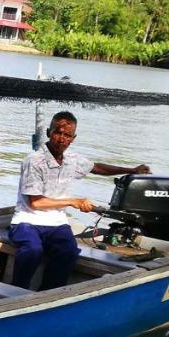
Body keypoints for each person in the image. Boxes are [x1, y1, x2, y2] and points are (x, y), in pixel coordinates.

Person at [10, 111, 150, 290]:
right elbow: (35, 202)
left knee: (68, 252)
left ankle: (47, 295)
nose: (61, 139)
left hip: (56, 223)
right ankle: (16, 291)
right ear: (48, 132)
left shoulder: (72, 160)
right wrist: (73, 202)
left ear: (73, 138)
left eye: (67, 135)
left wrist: (132, 170)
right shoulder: (34, 161)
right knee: (32, 250)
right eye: (57, 132)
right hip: (26, 221)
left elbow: (98, 168)